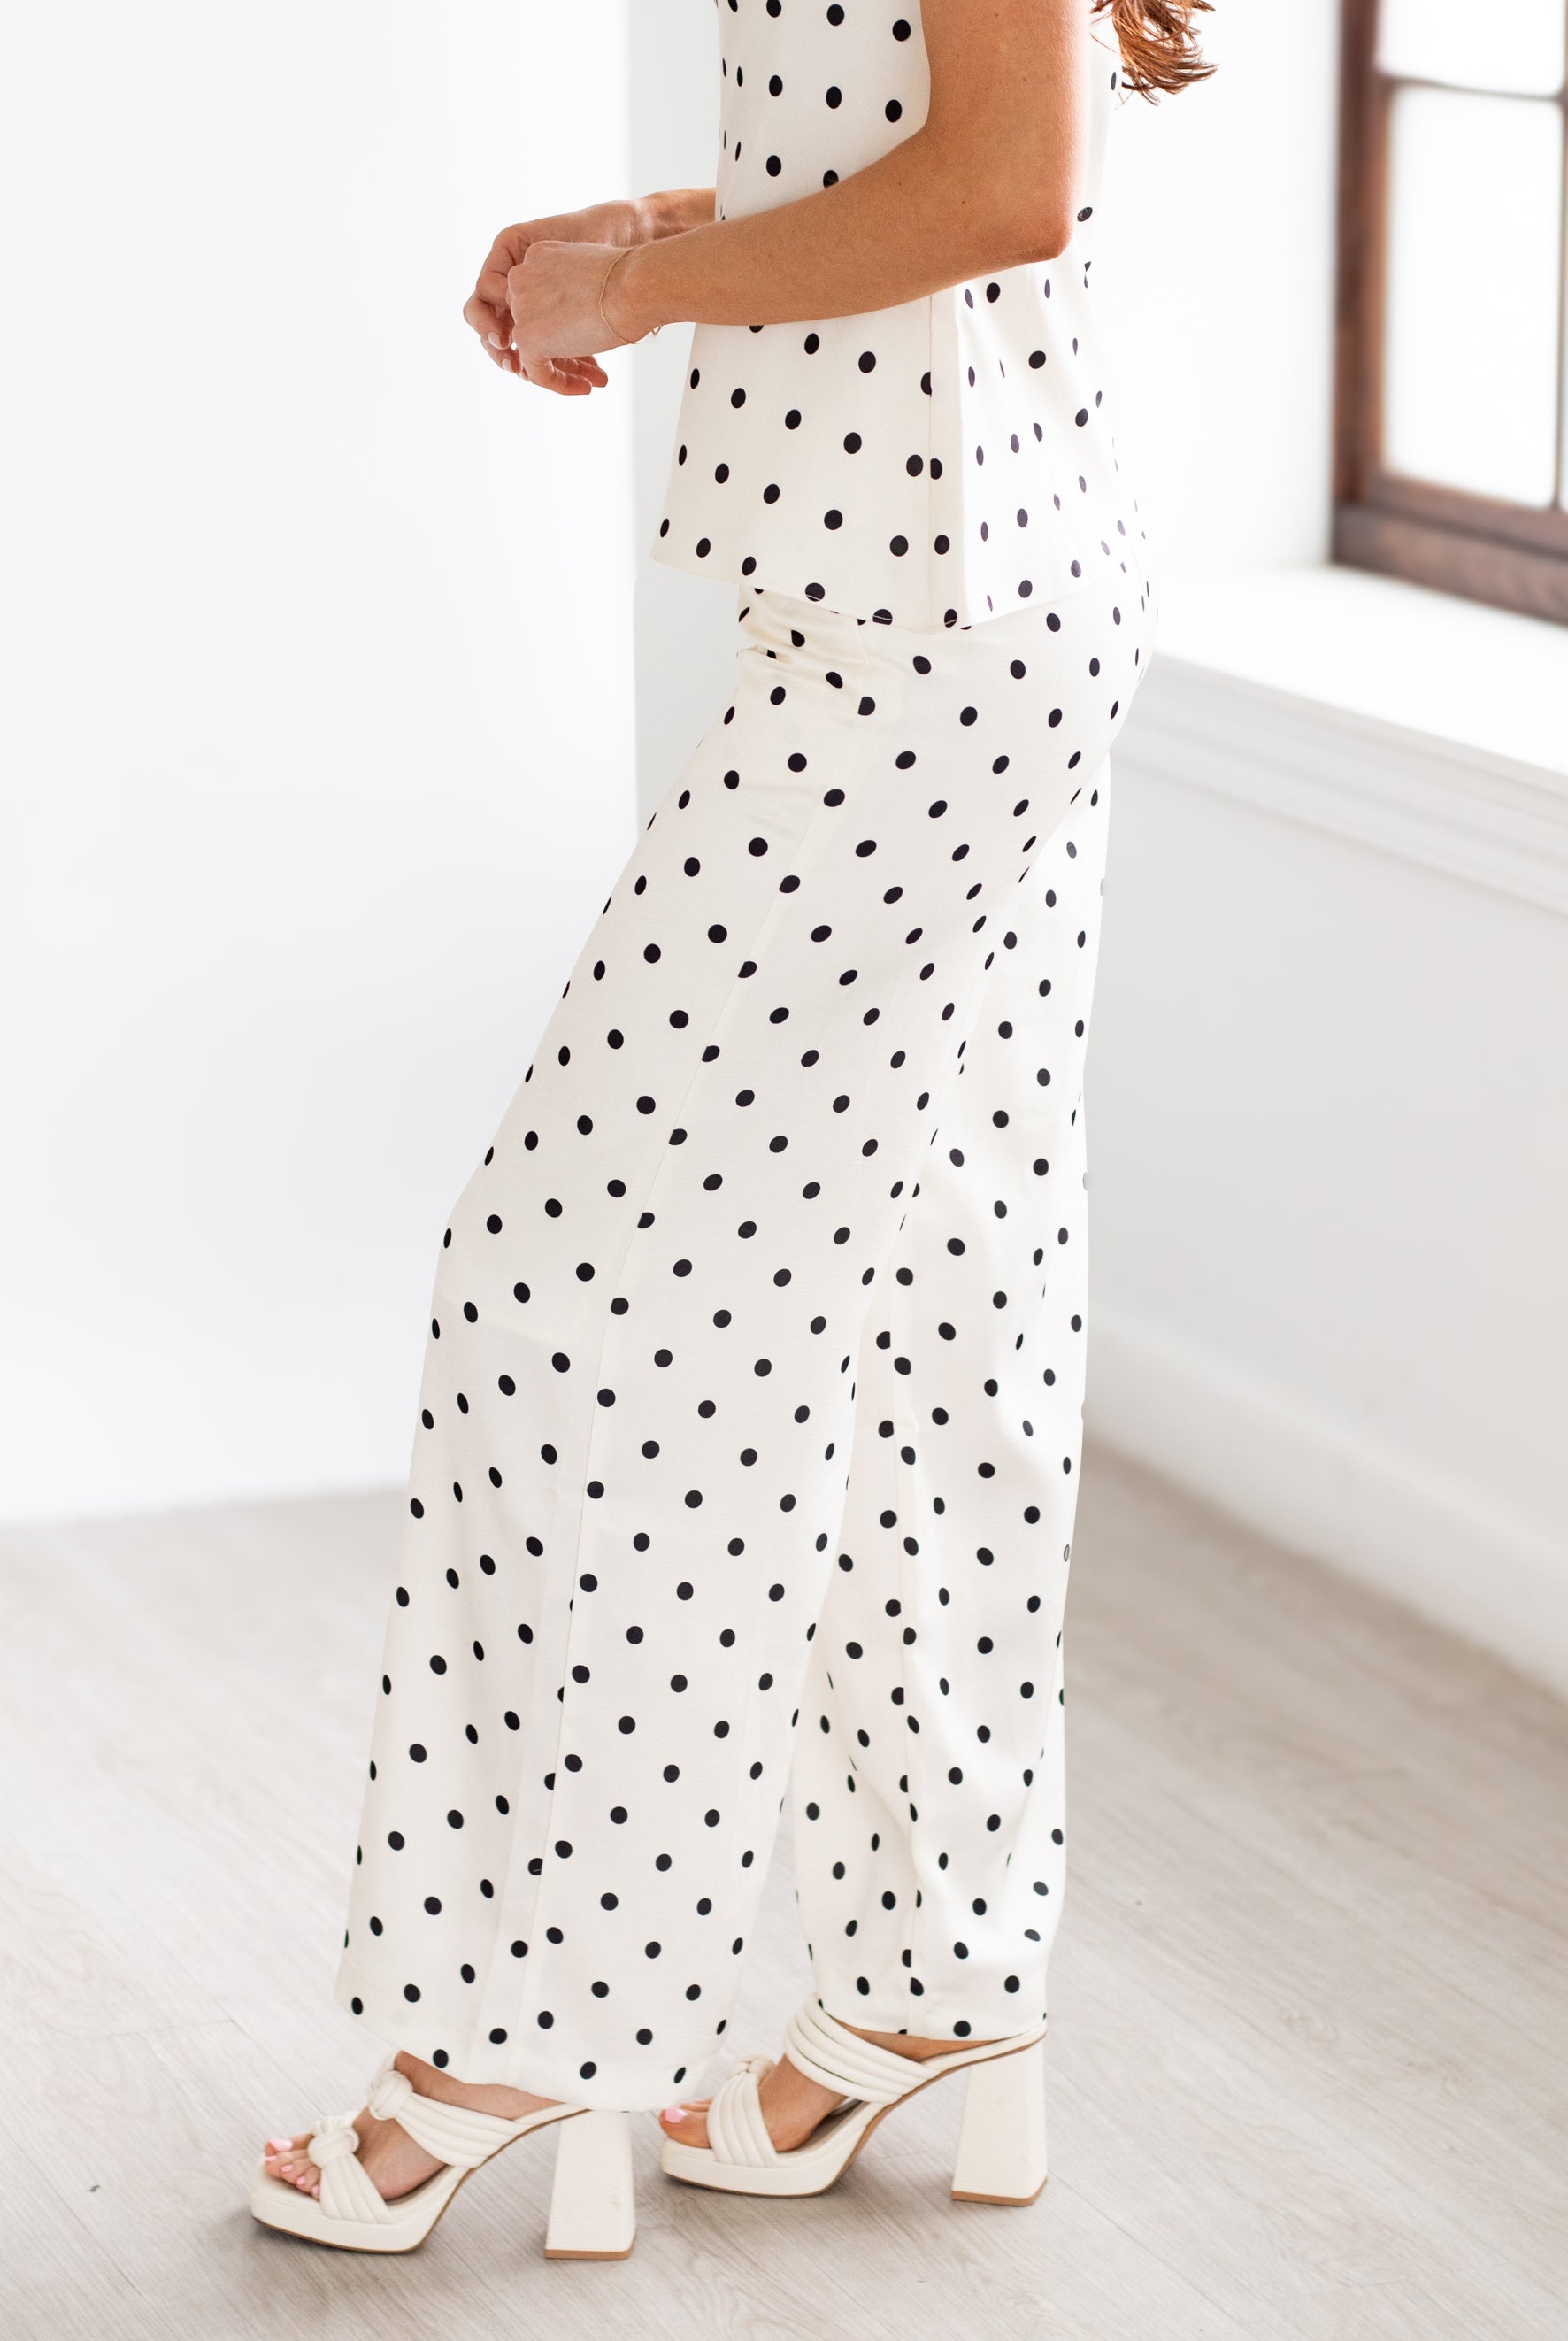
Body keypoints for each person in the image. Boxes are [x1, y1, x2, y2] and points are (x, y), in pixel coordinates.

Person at [250, 0, 1212, 2261]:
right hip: (956, 611)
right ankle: (928, 1989)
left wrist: (642, 289)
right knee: (923, 1316)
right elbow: (945, 156)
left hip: (929, 638)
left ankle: (522, 2031)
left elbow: (1006, 183)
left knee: (585, 1302)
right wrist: (656, 227)